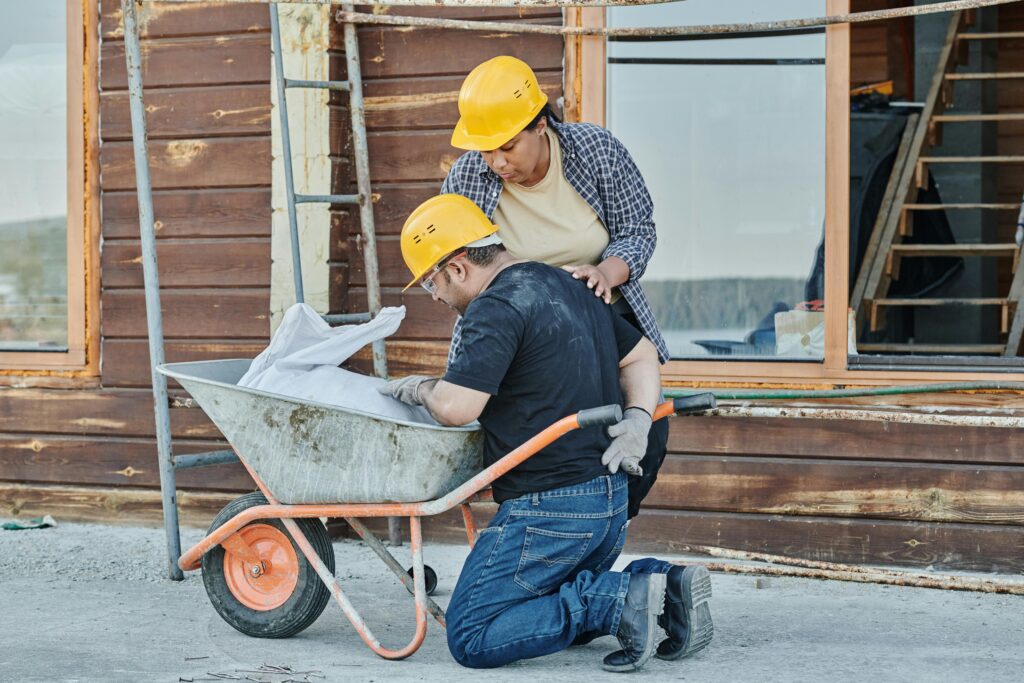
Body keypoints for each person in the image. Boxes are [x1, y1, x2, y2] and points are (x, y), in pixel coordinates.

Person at [380, 194, 713, 672]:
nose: (433, 295)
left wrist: (420, 387)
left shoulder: (494, 307)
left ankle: (618, 599)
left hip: (550, 511)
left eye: (430, 281)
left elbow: (457, 408)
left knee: (472, 633)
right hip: (609, 503)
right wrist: (638, 418)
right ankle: (665, 586)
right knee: (546, 603)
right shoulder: (571, 282)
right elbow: (641, 355)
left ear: (457, 268)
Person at [442, 56, 669, 518]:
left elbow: (638, 230)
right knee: (535, 450)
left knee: (642, 444)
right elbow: (456, 262)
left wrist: (608, 271)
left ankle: (601, 539)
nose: (497, 162)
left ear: (541, 125)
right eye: (485, 150)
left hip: (602, 316)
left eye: (507, 146)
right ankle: (542, 542)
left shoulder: (596, 151)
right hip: (521, 330)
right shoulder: (468, 176)